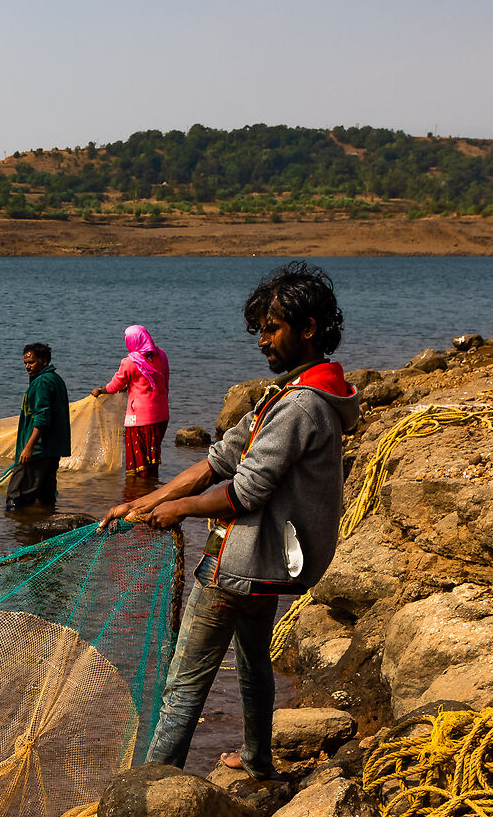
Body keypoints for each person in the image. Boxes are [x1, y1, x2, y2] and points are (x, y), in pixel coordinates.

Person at [102, 263, 358, 780]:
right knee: (252, 662)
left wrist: (176, 510)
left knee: (183, 682)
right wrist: (146, 502)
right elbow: (217, 461)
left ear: (308, 329)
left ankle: (150, 787)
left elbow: (245, 490)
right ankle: (258, 756)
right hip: (265, 565)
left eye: (272, 328)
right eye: (259, 330)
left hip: (239, 563)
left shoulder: (301, 406)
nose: (262, 341)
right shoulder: (286, 393)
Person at [93, 323, 171, 487]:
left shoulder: (130, 362)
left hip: (139, 419)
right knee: (152, 456)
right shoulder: (161, 355)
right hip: (161, 415)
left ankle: (137, 495)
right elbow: (165, 383)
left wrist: (100, 390)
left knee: (138, 463)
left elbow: (115, 386)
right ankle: (152, 488)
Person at [3, 341, 69, 512]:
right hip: (52, 449)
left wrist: (28, 447)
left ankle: (20, 534)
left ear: (44, 361)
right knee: (45, 495)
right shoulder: (55, 379)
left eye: (31, 362)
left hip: (38, 449)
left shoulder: (42, 383)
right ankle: (43, 529)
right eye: (25, 363)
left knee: (16, 497)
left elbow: (42, 418)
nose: (27, 366)